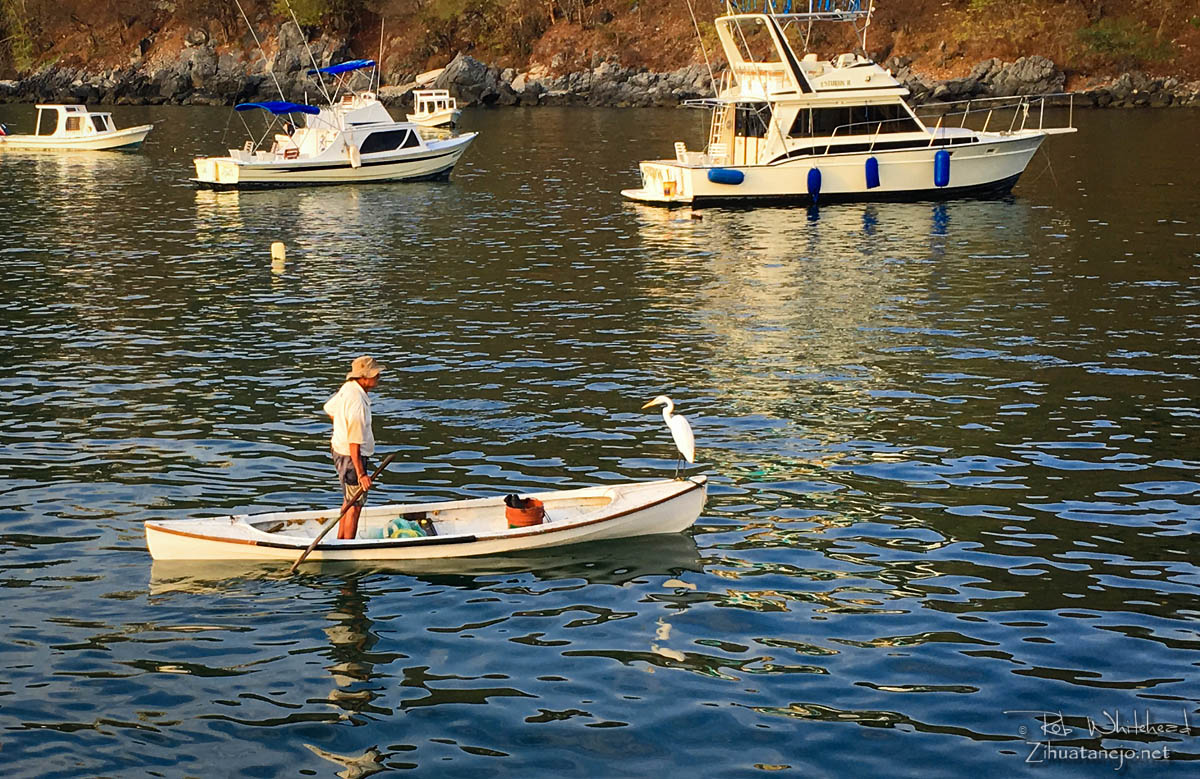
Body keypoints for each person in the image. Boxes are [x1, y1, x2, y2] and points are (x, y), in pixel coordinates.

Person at [323, 355, 382, 539]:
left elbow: (329, 408)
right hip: (351, 457)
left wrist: (341, 427)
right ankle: (347, 544)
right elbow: (354, 442)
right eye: (375, 375)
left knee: (349, 500)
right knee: (355, 505)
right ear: (364, 378)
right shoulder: (357, 403)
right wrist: (361, 474)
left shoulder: (347, 388)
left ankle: (341, 540)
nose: (378, 378)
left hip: (339, 451)